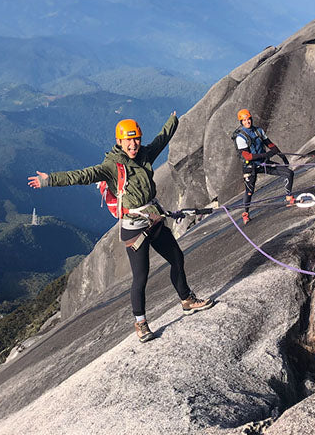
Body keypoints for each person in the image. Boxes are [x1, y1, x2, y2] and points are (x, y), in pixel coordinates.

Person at [28, 114, 213, 343]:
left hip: (153, 219)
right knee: (141, 277)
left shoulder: (144, 154)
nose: (133, 144)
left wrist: (173, 121)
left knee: (177, 258)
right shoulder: (112, 166)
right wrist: (49, 180)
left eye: (136, 139)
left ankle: (187, 300)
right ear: (119, 141)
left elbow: (161, 140)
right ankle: (141, 323)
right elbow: (83, 175)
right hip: (134, 228)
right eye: (128, 140)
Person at [233, 109, 294, 224]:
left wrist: (282, 156)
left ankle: (289, 197)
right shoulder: (240, 137)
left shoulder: (258, 131)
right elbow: (247, 156)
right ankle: (245, 213)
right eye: (244, 120)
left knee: (289, 173)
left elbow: (270, 144)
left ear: (251, 119)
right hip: (250, 167)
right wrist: (265, 155)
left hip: (263, 163)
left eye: (248, 119)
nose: (247, 122)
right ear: (241, 122)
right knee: (249, 191)